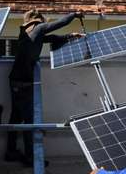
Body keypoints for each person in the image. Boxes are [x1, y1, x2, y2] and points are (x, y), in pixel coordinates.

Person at [6, 9, 84, 165]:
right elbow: (60, 24)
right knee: (29, 121)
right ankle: (31, 158)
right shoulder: (39, 29)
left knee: (15, 117)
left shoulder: (28, 33)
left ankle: (11, 151)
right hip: (23, 83)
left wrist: (70, 36)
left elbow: (52, 38)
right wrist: (74, 14)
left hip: (16, 80)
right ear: (38, 21)